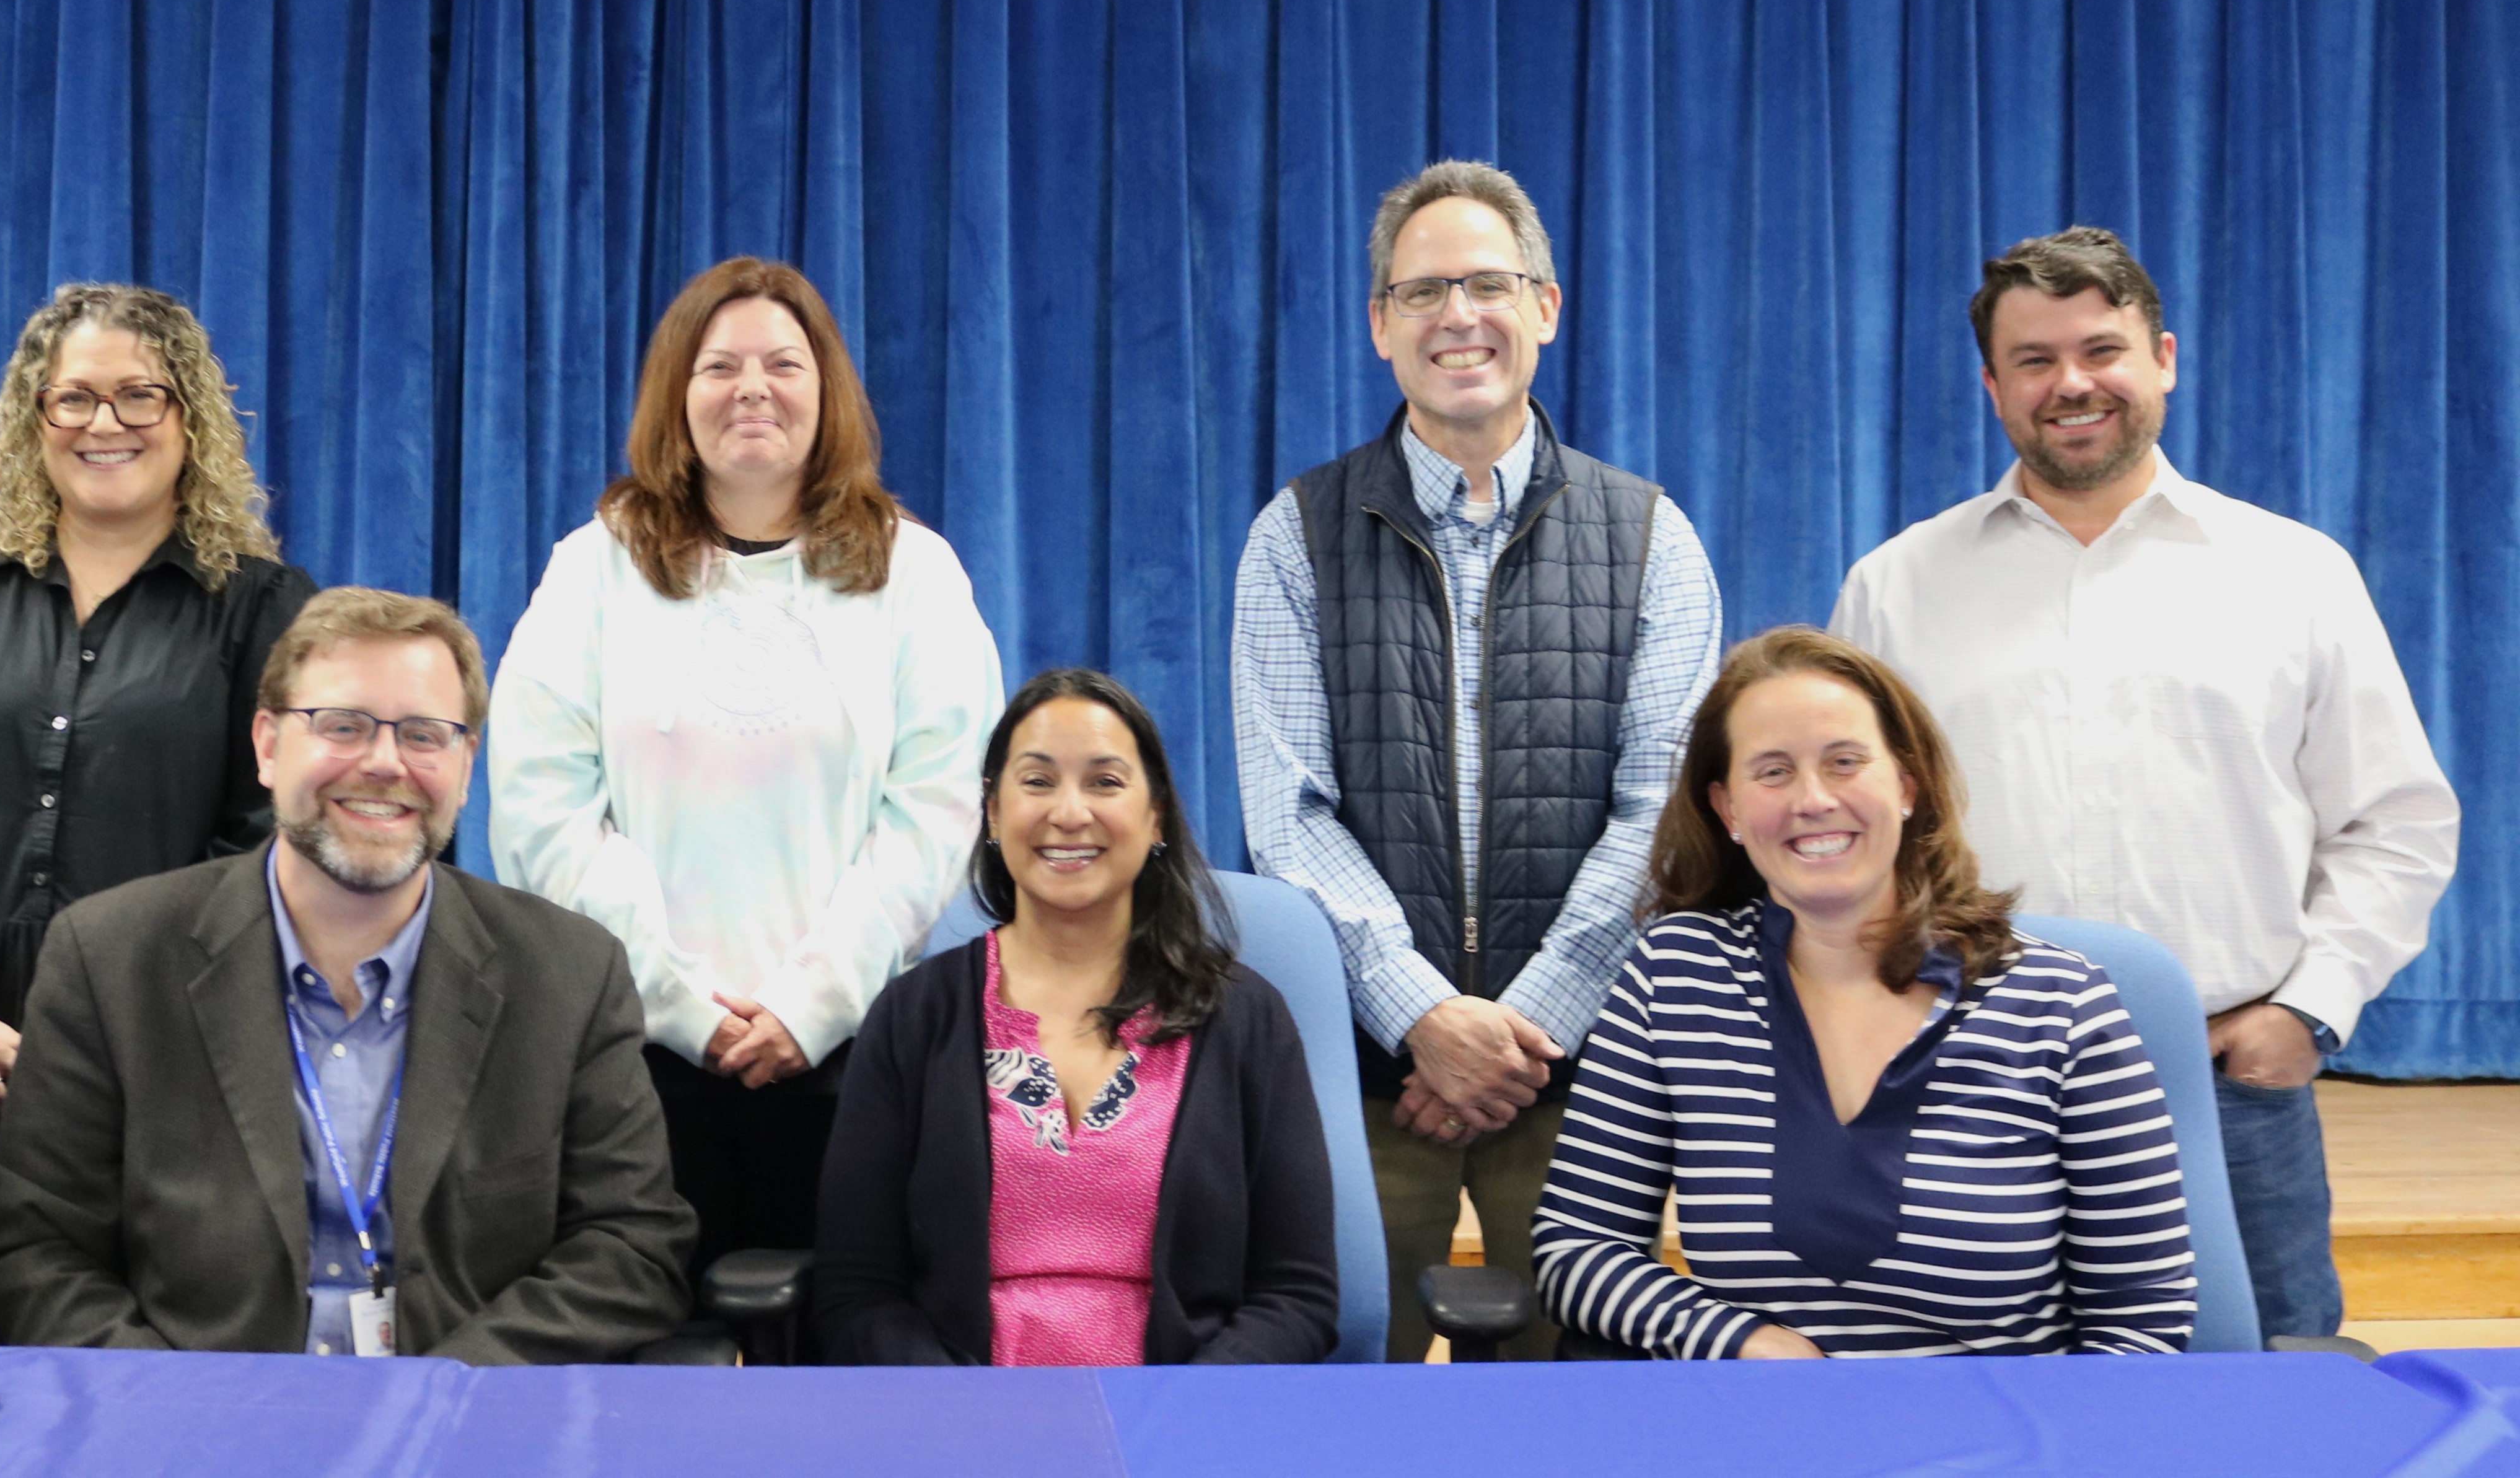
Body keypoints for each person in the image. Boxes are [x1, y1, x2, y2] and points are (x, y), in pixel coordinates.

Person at [1831, 227, 2458, 1343]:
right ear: (1990, 386)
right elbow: (1843, 835)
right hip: (1962, 1081)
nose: (2069, 383)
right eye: (2031, 360)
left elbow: (2395, 822)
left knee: (2262, 1404)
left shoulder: (2293, 574)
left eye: (2100, 350)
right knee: (1971, 1401)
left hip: (2225, 1090)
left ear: (2161, 358)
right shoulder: (1894, 587)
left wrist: (2307, 1012)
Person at [1231, 159, 1721, 1360]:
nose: (1459, 315)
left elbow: (1663, 816)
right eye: (1424, 290)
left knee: (1577, 1410)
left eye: (1489, 284)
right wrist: (1423, 1017)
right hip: (1365, 1072)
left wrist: (1516, 1028)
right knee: (1348, 1390)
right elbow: (1286, 819)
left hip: (1582, 1073)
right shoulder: (1293, 536)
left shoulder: (1654, 539)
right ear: (1379, 325)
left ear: (1546, 307)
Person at [0, 587, 695, 1361]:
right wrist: (179, 1410)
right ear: (266, 745)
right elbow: (36, 1251)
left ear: (465, 765)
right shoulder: (110, 958)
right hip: (201, 1426)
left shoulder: (569, 974)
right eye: (343, 726)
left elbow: (633, 1246)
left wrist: (447, 1392)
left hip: (469, 1427)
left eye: (425, 735)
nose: (385, 764)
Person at [489, 256, 1003, 1273]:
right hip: (630, 1061)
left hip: (853, 1058)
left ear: (828, 392)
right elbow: (538, 810)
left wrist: (812, 1003)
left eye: (782, 363)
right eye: (719, 366)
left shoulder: (914, 572)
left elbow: (935, 811)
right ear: (677, 395)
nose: (752, 389)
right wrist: (680, 1006)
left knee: (842, 1381)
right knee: (639, 1383)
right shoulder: (592, 566)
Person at [1532, 626, 2195, 1357]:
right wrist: (1738, 1339)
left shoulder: (2061, 1003)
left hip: (2008, 1445)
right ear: (1728, 810)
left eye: (1845, 763)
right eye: (1773, 772)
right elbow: (1578, 1249)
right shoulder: (1675, 974)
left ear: (1906, 786)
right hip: (1767, 1436)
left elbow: (2143, 1324)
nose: (1813, 800)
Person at [0, 283, 317, 1206]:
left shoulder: (262, 606)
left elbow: (267, 844)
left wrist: (126, 1028)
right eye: (75, 397)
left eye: (141, 394)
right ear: (37, 416)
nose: (107, 422)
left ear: (190, 419)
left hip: (165, 1043)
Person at [815, 669, 1335, 1366]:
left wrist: (1187, 1412)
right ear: (993, 814)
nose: (1068, 812)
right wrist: (959, 1413)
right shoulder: (913, 1018)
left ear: (1156, 818)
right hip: (965, 1421)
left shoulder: (1245, 1019)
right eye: (1037, 781)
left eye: (1105, 782)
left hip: (1184, 1418)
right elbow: (857, 1291)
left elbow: (1297, 1294)